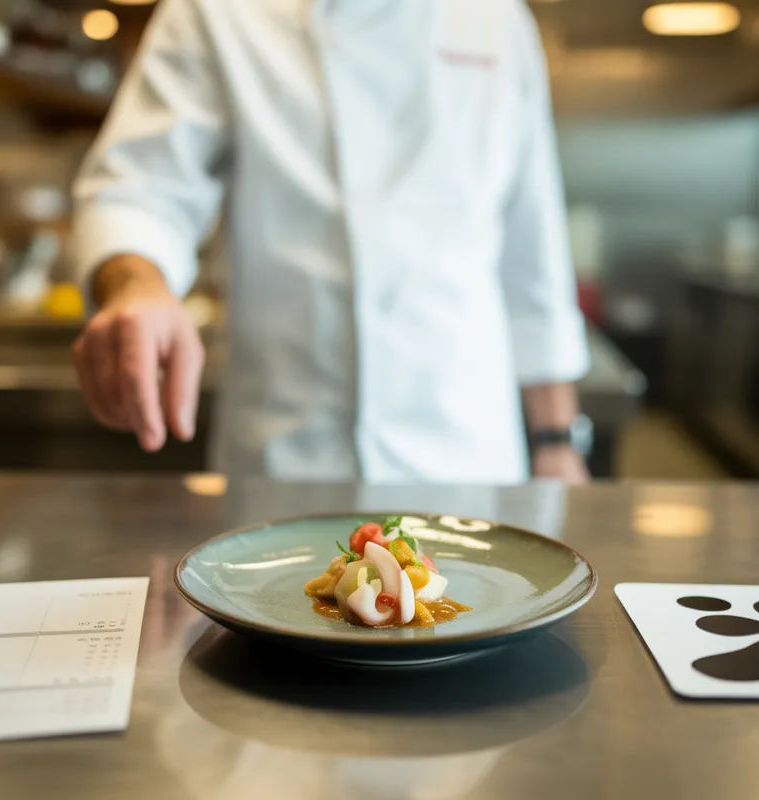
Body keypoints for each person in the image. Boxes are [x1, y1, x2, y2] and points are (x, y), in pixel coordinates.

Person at [70, 0, 592, 484]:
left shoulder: (496, 19)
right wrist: (135, 285)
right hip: (284, 460)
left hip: (465, 460)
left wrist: (556, 440)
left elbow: (532, 252)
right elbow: (140, 188)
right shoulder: (214, 12)